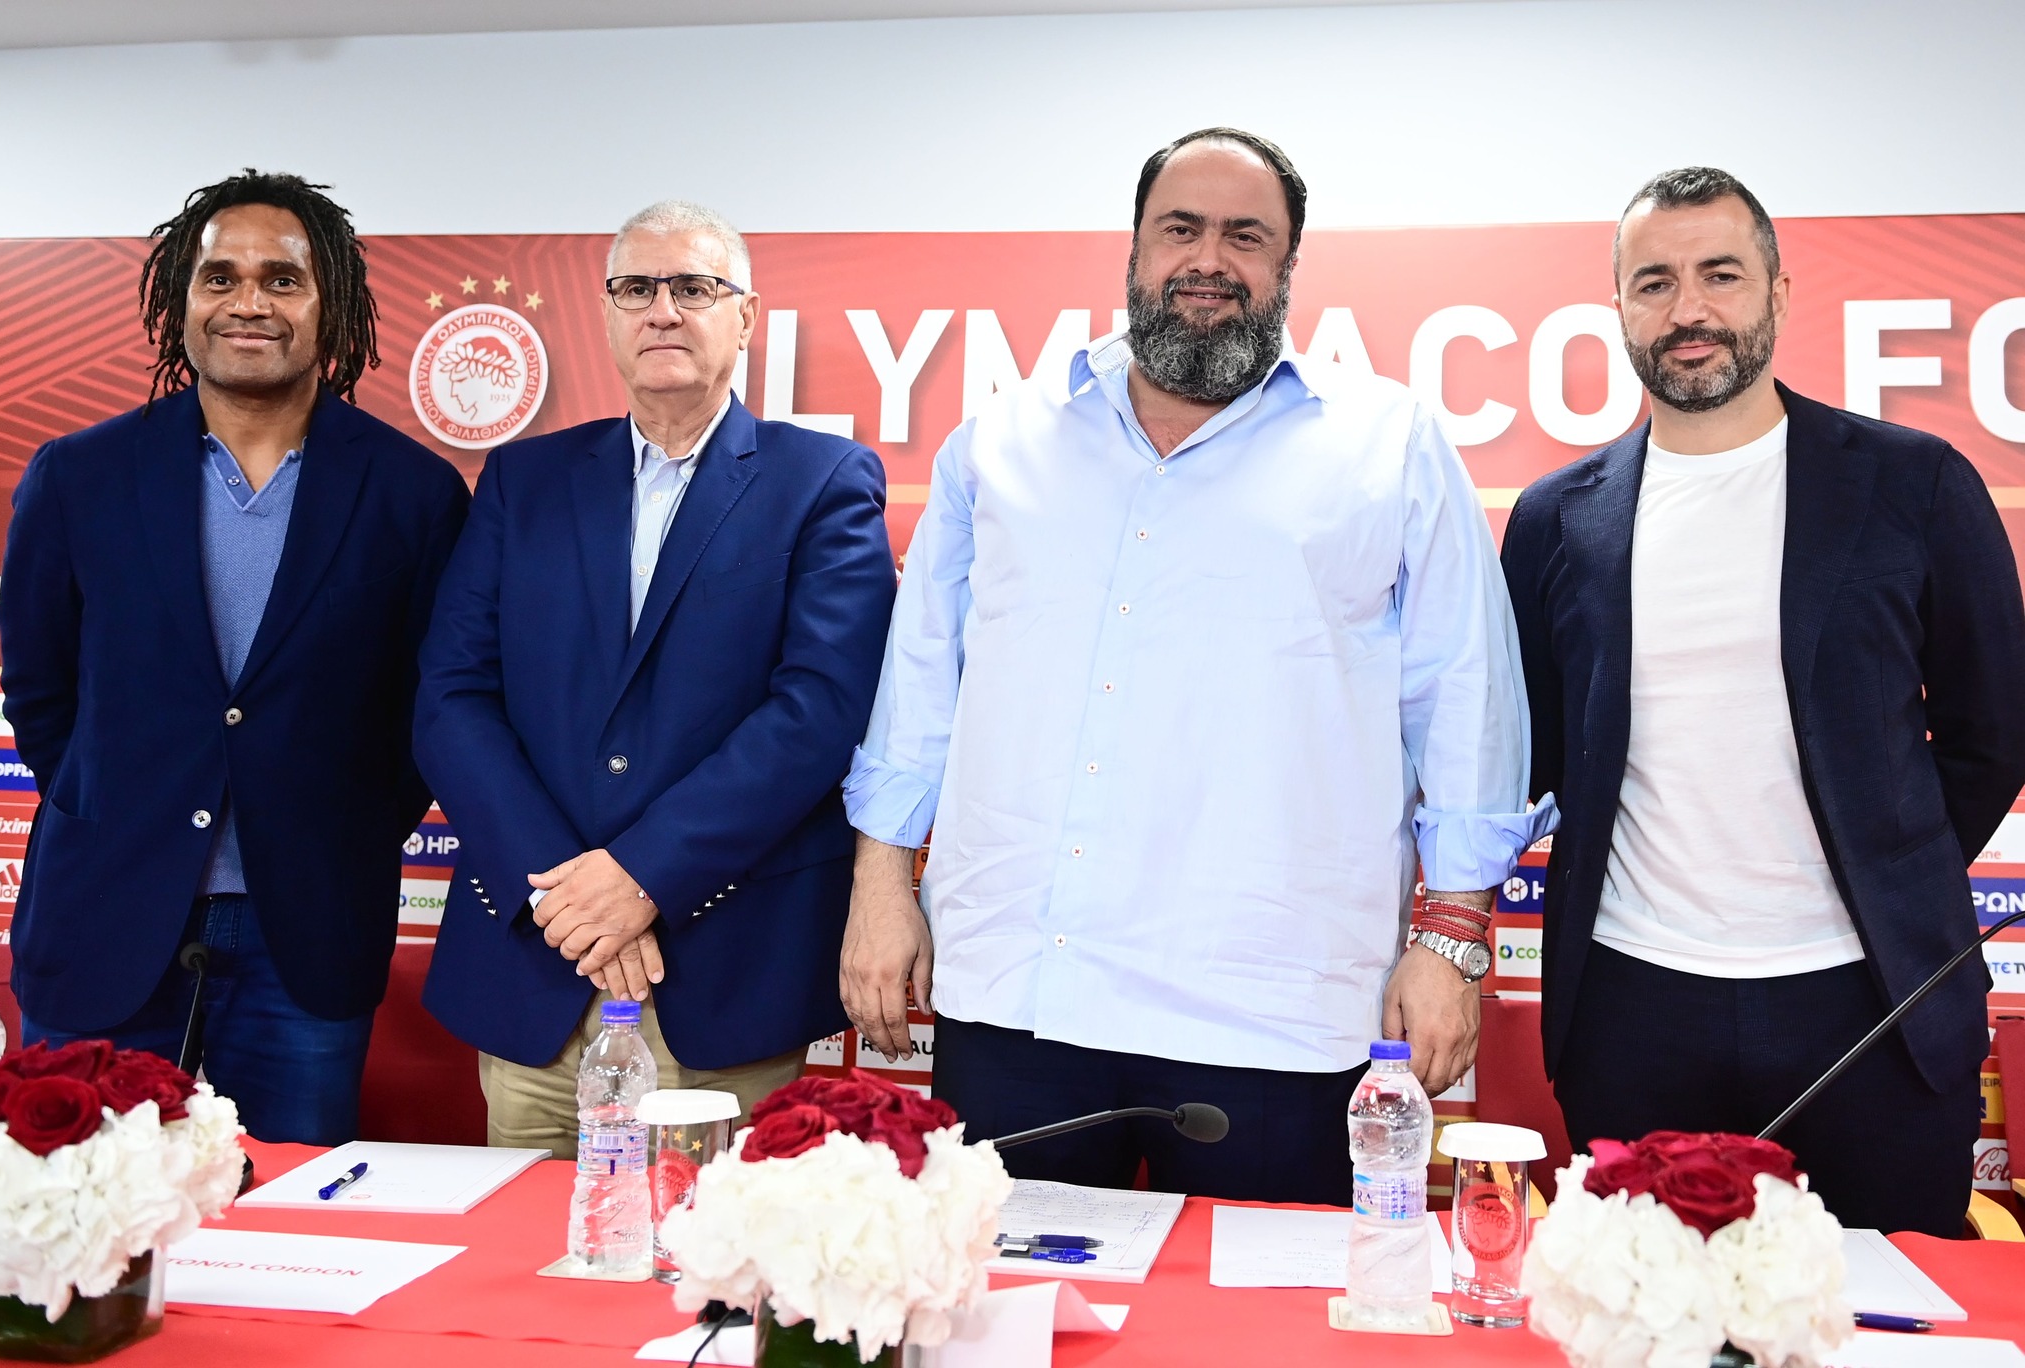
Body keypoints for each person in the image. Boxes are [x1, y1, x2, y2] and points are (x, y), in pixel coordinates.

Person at [838, 128, 1554, 1204]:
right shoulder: (1000, 442)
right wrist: (881, 887)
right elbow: (920, 687)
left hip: (1274, 1011)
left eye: (1245, 236)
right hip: (1020, 995)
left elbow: (1466, 701)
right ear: (1133, 249)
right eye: (1180, 229)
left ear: (1288, 265)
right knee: (998, 1296)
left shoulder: (1387, 444)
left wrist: (1450, 939)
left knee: (1271, 1301)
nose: (1208, 259)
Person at [1501, 167, 2025, 1235]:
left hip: (1871, 1006)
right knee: (1644, 1310)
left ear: (1778, 294)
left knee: (1881, 1307)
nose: (1687, 309)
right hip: (1632, 1007)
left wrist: (1886, 858)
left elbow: (1992, 732)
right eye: (1654, 282)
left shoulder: (1915, 483)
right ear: (1618, 307)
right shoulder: (1555, 519)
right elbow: (1537, 750)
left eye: (1720, 275)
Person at [0, 170, 471, 1144]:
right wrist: (120, 802)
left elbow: (425, 713)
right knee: (86, 1206)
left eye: (281, 279)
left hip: (307, 928)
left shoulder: (414, 494)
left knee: (293, 1206)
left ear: (328, 306)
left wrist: (331, 827)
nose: (248, 302)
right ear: (179, 302)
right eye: (221, 277)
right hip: (106, 911)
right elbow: (42, 694)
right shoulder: (78, 476)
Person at [418, 200, 898, 1158]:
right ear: (607, 315)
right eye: (637, 288)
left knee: (704, 1246)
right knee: (524, 1246)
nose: (663, 310)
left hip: (718, 979)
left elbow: (816, 713)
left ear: (745, 316)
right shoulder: (522, 481)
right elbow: (451, 699)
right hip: (536, 967)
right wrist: (568, 902)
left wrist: (643, 877)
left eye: (694, 287)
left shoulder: (821, 482)